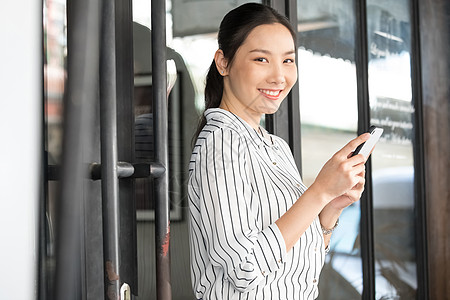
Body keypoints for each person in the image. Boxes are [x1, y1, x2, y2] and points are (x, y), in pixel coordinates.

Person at [187, 3, 370, 299]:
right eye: (261, 59)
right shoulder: (220, 145)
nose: (279, 76)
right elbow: (244, 268)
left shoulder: (276, 147)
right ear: (223, 63)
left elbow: (298, 264)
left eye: (288, 61)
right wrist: (318, 191)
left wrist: (330, 208)